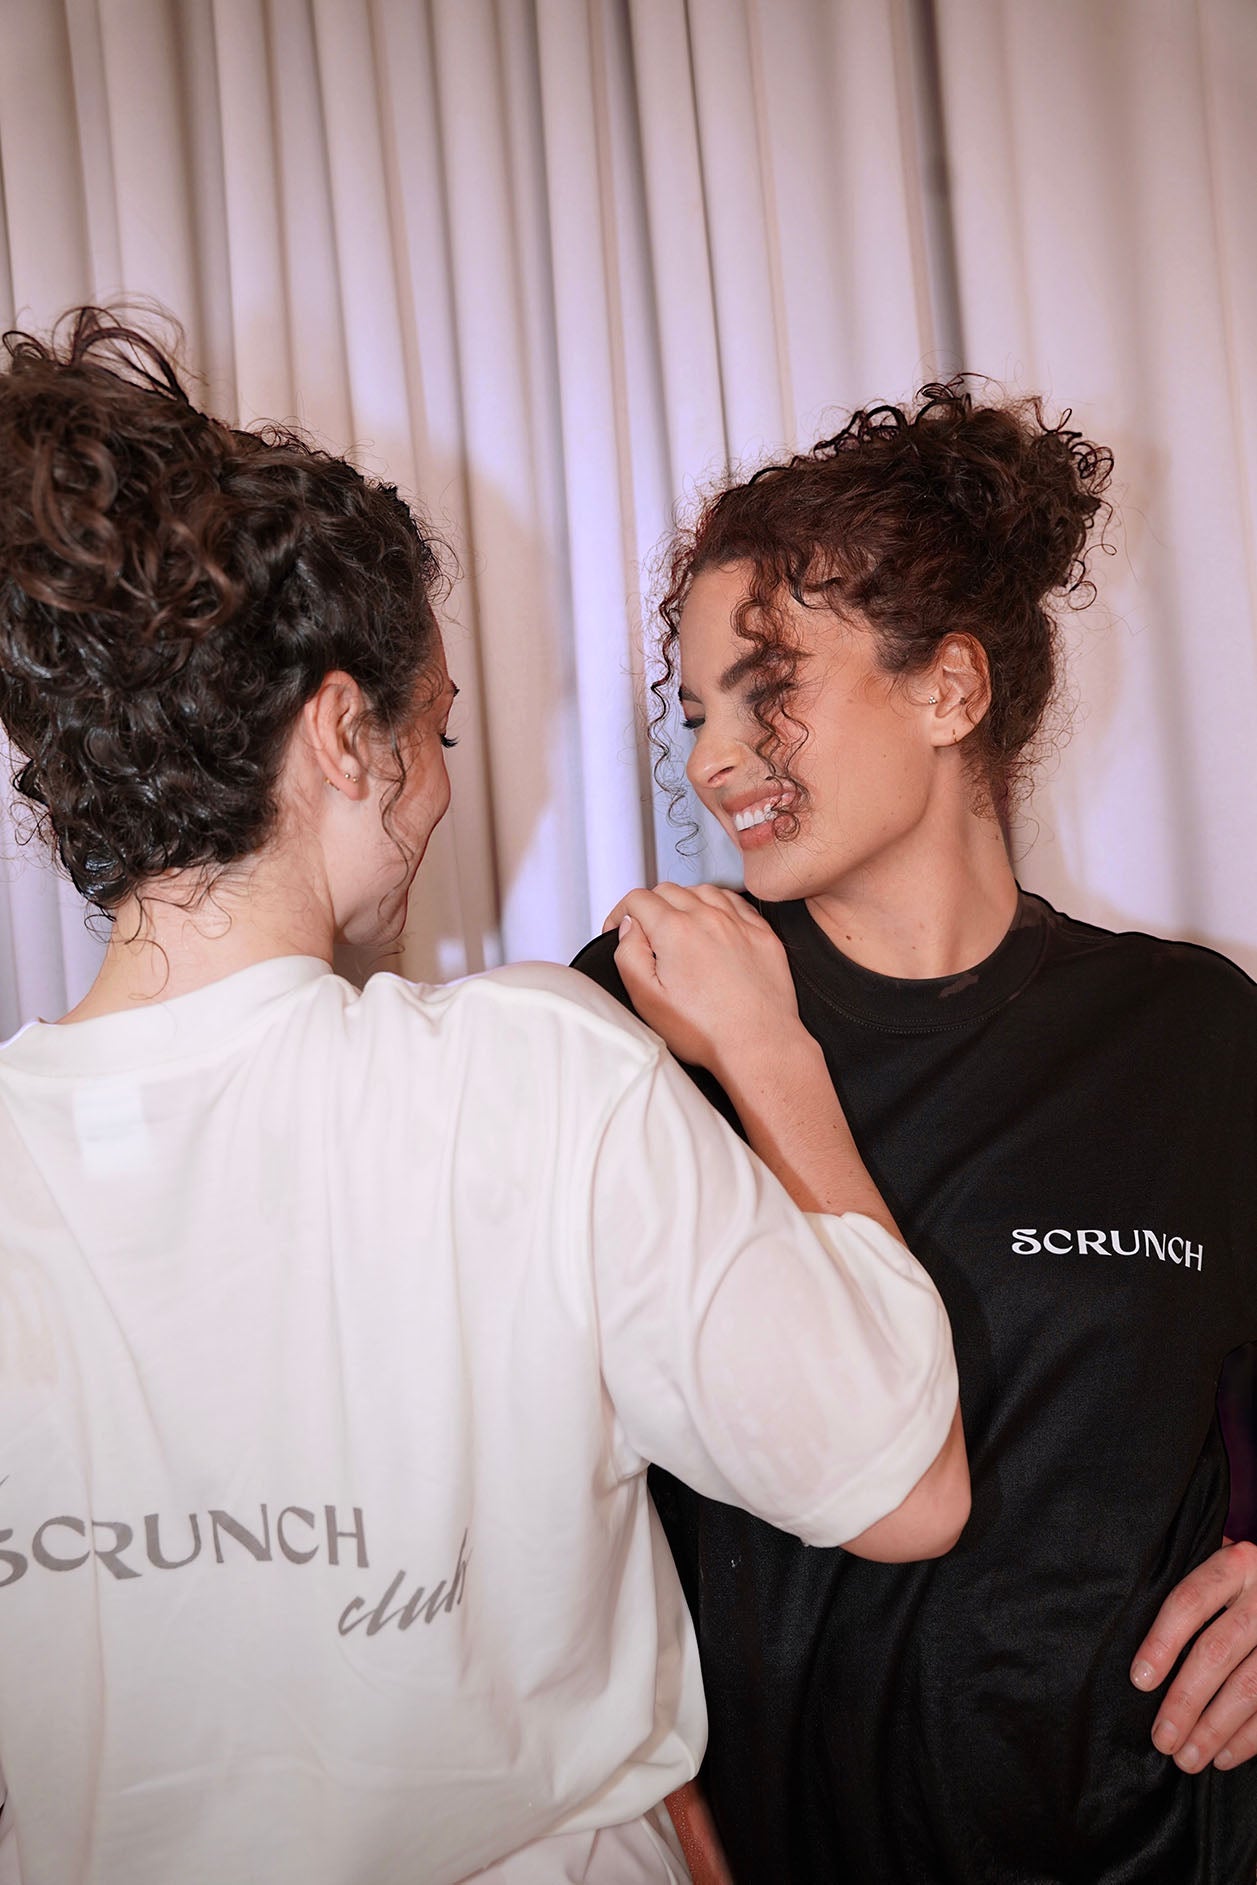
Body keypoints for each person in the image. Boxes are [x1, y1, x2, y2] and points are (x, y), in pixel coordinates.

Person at [0, 311, 969, 1885]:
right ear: (340, 733)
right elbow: (904, 1483)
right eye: (435, 729)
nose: (442, 786)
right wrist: (775, 1056)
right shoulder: (530, 1073)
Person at [574, 384, 1257, 1883]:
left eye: (768, 689)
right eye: (694, 713)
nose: (707, 759)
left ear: (951, 691)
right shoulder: (632, 1020)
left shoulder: (1193, 1031)